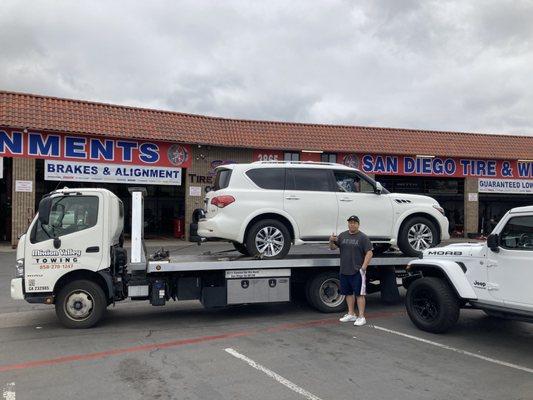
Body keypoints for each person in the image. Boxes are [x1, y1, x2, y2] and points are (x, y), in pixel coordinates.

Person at [329, 215, 373, 326]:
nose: (352, 224)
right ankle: (351, 314)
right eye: (350, 222)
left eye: (354, 222)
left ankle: (361, 317)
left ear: (358, 224)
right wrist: (331, 241)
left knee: (359, 294)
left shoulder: (363, 237)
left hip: (357, 271)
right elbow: (333, 248)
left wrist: (363, 267)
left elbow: (369, 252)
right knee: (348, 293)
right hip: (344, 270)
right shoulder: (343, 235)